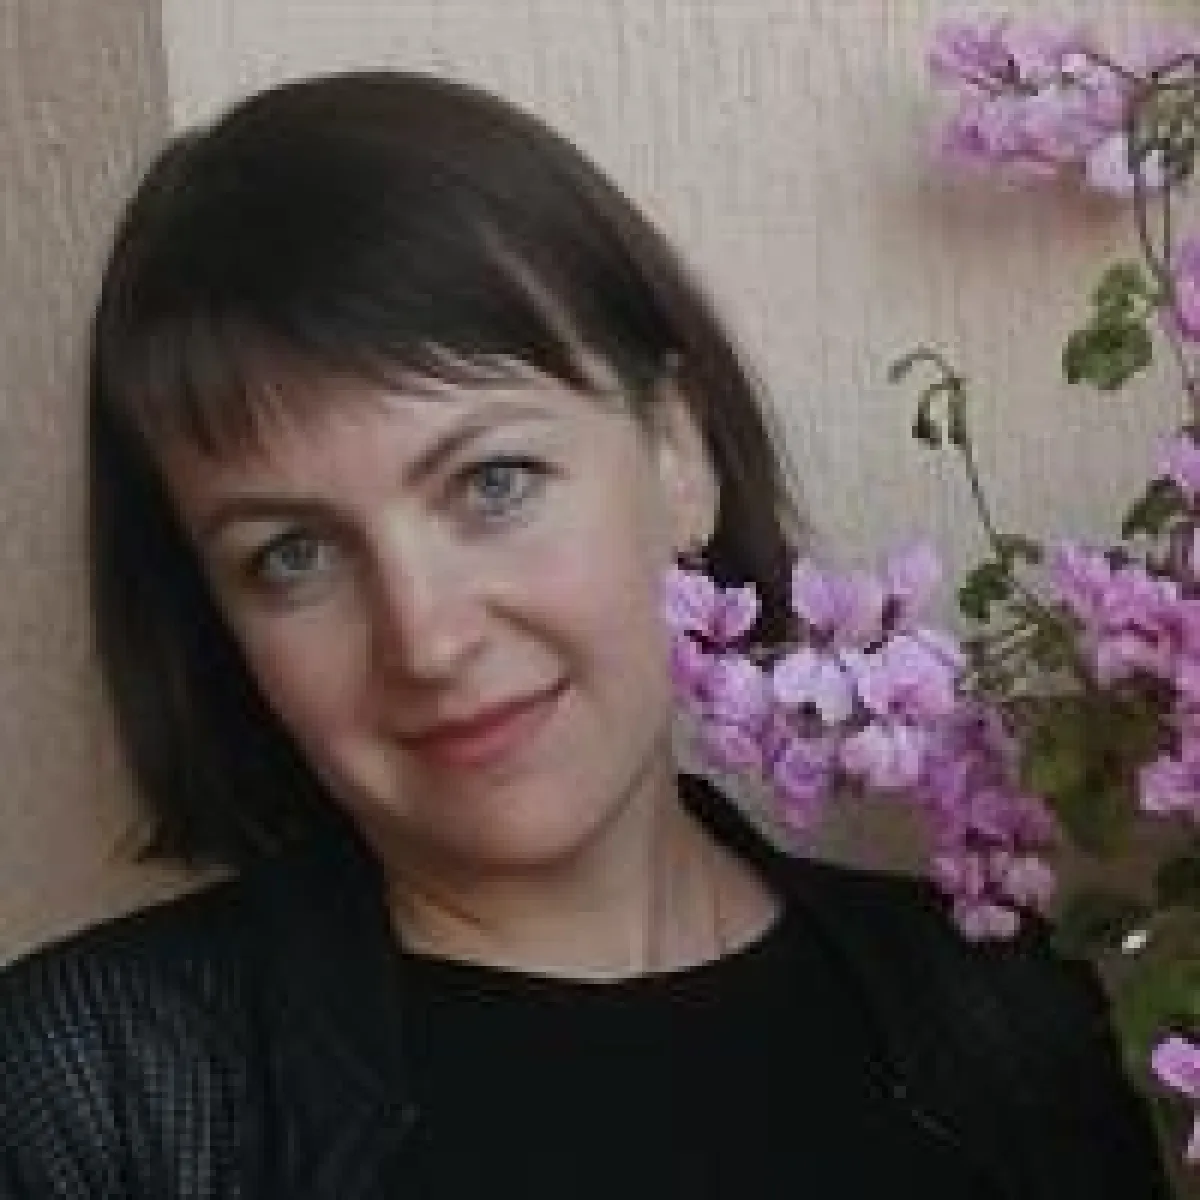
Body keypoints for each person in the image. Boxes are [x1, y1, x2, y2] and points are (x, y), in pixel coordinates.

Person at [0, 70, 1172, 1199]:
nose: (426, 641)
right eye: (292, 555)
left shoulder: (1012, 1022)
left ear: (678, 456)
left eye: (493, 482)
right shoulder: (93, 1092)